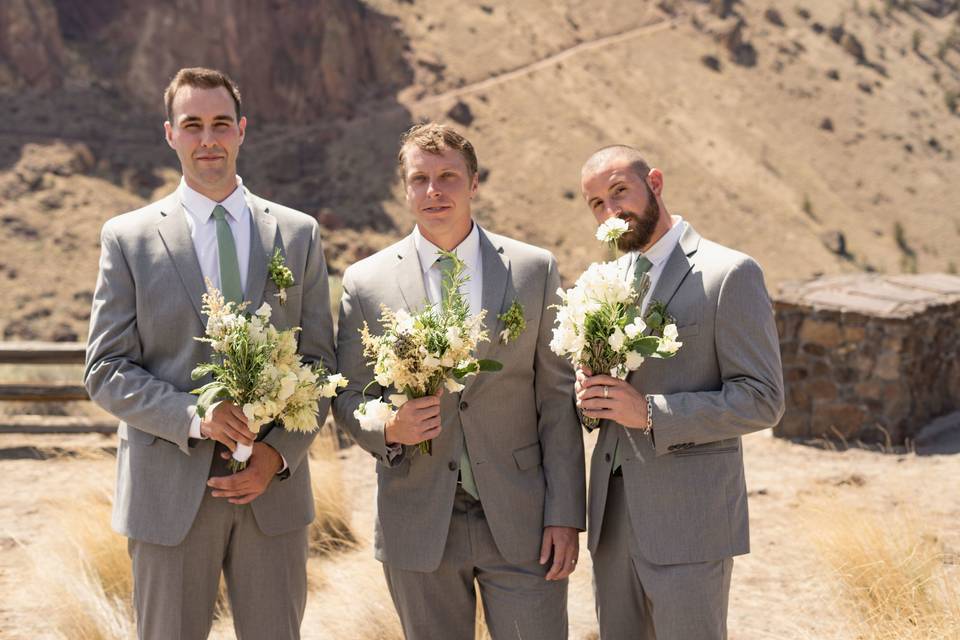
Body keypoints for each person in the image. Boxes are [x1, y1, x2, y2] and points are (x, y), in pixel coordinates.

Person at [84, 67, 335, 640]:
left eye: (221, 123)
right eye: (192, 124)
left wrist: (278, 455)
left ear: (242, 129)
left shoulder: (298, 235)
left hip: (273, 496)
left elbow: (321, 363)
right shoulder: (128, 238)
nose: (208, 139)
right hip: (168, 497)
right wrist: (194, 417)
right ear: (170, 134)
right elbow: (104, 369)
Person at [333, 123, 585, 639]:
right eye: (419, 178)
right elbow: (348, 394)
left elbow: (556, 400)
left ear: (473, 183)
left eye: (448, 176)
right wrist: (388, 429)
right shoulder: (366, 282)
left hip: (523, 520)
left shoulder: (533, 271)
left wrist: (565, 514)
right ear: (404, 190)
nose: (434, 191)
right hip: (418, 518)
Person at [576, 145, 785, 639]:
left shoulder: (729, 273)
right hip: (612, 521)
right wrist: (588, 392)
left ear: (655, 182)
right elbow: (608, 402)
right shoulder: (605, 283)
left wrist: (649, 412)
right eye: (597, 204)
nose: (611, 211)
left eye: (619, 192)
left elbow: (763, 398)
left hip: (691, 521)